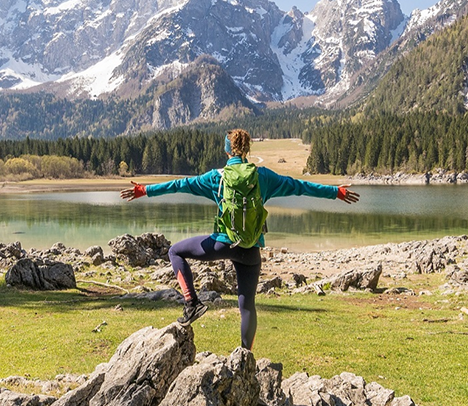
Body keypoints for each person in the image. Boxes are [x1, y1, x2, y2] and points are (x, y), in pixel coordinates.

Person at [120, 129, 359, 350]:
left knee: (175, 252)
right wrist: (335, 192)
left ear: (227, 151)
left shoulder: (216, 178)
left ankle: (192, 303)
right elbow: (300, 186)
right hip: (250, 251)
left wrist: (145, 190)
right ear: (247, 151)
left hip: (221, 243)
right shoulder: (262, 176)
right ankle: (245, 357)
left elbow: (180, 185)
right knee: (247, 306)